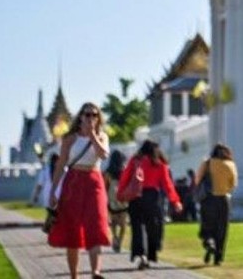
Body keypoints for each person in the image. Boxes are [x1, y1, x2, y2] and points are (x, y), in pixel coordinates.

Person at [47, 103, 111, 279]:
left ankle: (95, 271)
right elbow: (61, 165)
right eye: (87, 114)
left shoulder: (102, 136)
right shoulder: (70, 138)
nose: (91, 118)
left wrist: (92, 135)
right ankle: (74, 275)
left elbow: (103, 155)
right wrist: (53, 191)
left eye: (94, 115)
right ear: (80, 116)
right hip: (73, 182)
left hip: (94, 181)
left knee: (96, 225)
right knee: (72, 230)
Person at [117, 139, 182, 270]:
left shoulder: (135, 160)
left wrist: (121, 194)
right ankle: (151, 252)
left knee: (137, 228)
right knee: (153, 227)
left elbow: (125, 177)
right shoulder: (159, 163)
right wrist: (175, 201)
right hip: (152, 197)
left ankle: (141, 254)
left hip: (136, 197)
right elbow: (167, 184)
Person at [196, 143, 238, 265]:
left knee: (207, 227)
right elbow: (233, 184)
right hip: (223, 200)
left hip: (208, 199)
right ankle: (218, 258)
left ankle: (209, 243)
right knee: (222, 229)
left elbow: (198, 179)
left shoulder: (207, 163)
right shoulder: (230, 164)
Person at [103, 150, 128, 253]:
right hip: (123, 199)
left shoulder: (108, 172)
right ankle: (120, 241)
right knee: (123, 223)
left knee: (113, 221)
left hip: (112, 199)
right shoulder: (125, 170)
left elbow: (105, 186)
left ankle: (114, 237)